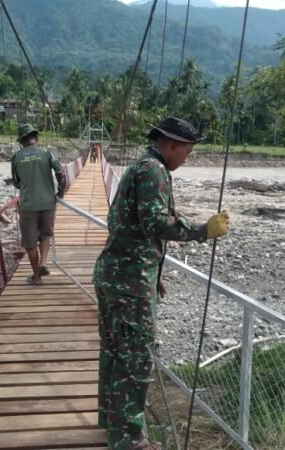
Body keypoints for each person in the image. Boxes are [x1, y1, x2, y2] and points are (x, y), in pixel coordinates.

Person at [92, 117, 230, 450]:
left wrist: (153, 276)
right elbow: (154, 222)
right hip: (129, 286)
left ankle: (111, 420)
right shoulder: (154, 171)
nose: (188, 157)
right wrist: (201, 231)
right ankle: (128, 439)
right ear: (172, 145)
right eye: (188, 151)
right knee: (134, 357)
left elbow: (129, 225)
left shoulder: (141, 167)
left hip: (116, 276)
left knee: (114, 351)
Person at [11, 123, 67, 286]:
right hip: (48, 203)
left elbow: (16, 182)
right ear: (35, 138)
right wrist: (60, 193)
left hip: (28, 206)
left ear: (21, 141)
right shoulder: (47, 153)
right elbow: (61, 174)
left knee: (29, 243)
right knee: (46, 234)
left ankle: (37, 278)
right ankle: (43, 262)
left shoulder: (16, 158)